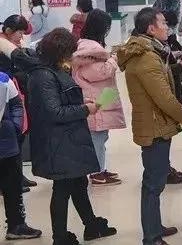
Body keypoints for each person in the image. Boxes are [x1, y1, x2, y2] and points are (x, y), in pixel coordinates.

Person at [0, 30, 116, 245]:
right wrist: (85, 109)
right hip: (58, 141)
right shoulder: (44, 75)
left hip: (67, 139)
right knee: (62, 189)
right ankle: (60, 237)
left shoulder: (50, 70)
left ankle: (91, 225)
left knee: (78, 183)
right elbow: (54, 112)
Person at [117, 8, 182, 245]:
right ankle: (151, 237)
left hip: (155, 124)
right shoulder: (146, 56)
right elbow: (164, 98)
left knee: (155, 181)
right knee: (153, 184)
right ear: (151, 28)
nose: (167, 27)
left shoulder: (150, 52)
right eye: (163, 23)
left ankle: (154, 226)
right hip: (154, 126)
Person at [72, 9, 126, 186]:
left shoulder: (89, 46)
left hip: (101, 96)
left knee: (102, 136)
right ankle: (96, 172)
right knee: (97, 137)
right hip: (95, 99)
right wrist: (113, 60)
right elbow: (98, 72)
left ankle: (101, 168)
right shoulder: (89, 49)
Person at [0, 62, 42, 239]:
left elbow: (16, 104)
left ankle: (16, 225)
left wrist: (15, 127)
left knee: (13, 186)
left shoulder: (3, 79)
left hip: (6, 142)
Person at [0, 16, 35, 194]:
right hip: (6, 97)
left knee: (19, 135)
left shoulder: (12, 45)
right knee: (10, 137)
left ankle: (18, 176)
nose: (22, 36)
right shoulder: (3, 46)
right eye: (19, 32)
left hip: (15, 93)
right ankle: (8, 181)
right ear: (8, 31)